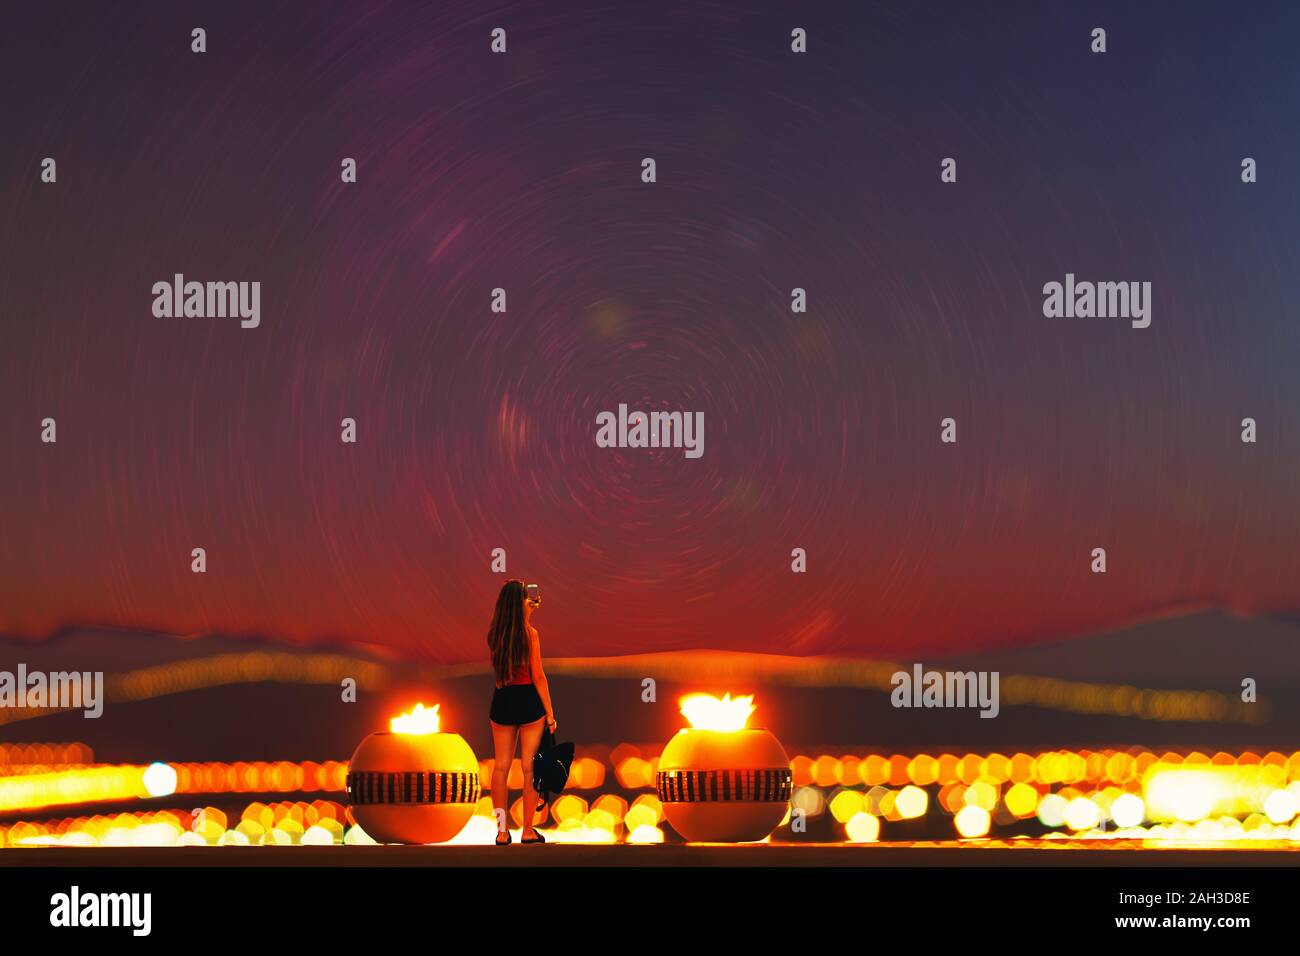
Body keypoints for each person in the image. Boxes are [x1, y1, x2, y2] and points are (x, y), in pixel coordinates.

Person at [486, 579, 556, 845]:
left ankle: (502, 832)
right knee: (530, 768)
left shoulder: (494, 633)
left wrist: (526, 613)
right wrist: (550, 714)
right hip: (528, 700)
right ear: (521, 602)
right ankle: (527, 830)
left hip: (502, 698)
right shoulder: (530, 634)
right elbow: (538, 676)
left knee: (501, 767)